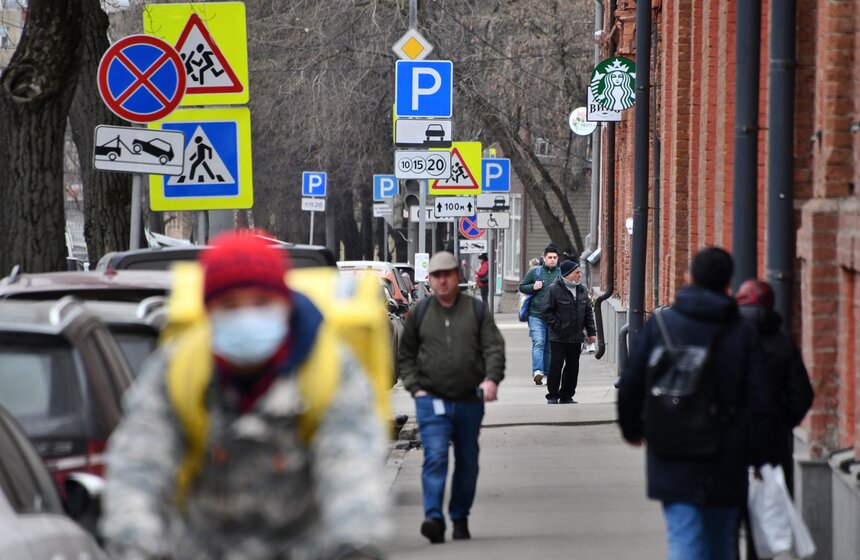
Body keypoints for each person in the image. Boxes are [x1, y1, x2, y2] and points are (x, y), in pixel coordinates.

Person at [100, 231, 389, 560]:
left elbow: (351, 466)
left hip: (307, 547)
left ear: (285, 303)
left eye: (261, 303)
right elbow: (139, 463)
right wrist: (134, 543)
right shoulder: (181, 367)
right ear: (210, 312)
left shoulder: (327, 369)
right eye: (230, 306)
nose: (246, 316)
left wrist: (355, 544)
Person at [617, 247, 779, 559]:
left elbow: (631, 383)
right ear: (728, 284)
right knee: (721, 541)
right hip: (727, 450)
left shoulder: (661, 326)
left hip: (671, 446)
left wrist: (632, 428)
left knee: (684, 537)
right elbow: (761, 399)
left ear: (688, 277)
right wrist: (761, 456)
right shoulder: (742, 332)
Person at [398, 251, 505, 545]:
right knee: (435, 456)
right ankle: (434, 518)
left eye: (447, 274)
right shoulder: (420, 313)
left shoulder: (475, 310)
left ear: (458, 276)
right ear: (430, 280)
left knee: (467, 461)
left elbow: (493, 347)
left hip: (469, 400)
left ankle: (459, 516)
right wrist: (415, 387)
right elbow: (405, 355)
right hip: (431, 399)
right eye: (436, 276)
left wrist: (491, 379)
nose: (442, 280)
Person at [735, 279, 814, 560]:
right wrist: (782, 422)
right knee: (768, 512)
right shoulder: (782, 344)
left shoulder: (729, 342)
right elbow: (802, 394)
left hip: (731, 440)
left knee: (731, 515)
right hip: (772, 442)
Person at [540, 260, 596, 404]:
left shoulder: (582, 290)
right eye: (577, 272)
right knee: (556, 366)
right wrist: (559, 326)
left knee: (572, 367)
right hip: (558, 336)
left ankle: (567, 395)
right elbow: (546, 312)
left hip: (576, 336)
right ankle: (552, 395)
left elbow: (588, 313)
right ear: (567, 274)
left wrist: (591, 332)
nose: (580, 275)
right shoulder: (554, 289)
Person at [519, 244, 562, 385]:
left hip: (553, 316)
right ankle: (537, 371)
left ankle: (547, 374)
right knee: (539, 342)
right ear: (544, 258)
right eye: (549, 257)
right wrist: (533, 287)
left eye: (555, 257)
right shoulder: (534, 272)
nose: (552, 260)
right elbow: (522, 287)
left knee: (549, 346)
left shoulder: (560, 274)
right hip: (535, 314)